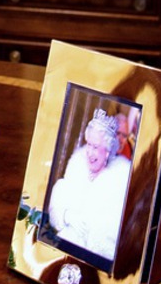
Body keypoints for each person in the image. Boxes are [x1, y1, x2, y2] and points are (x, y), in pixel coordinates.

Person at [47, 108, 131, 265]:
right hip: (62, 255)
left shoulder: (120, 179)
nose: (90, 153)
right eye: (89, 145)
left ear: (107, 152)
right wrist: (67, 216)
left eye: (96, 147)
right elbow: (56, 205)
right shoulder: (76, 166)